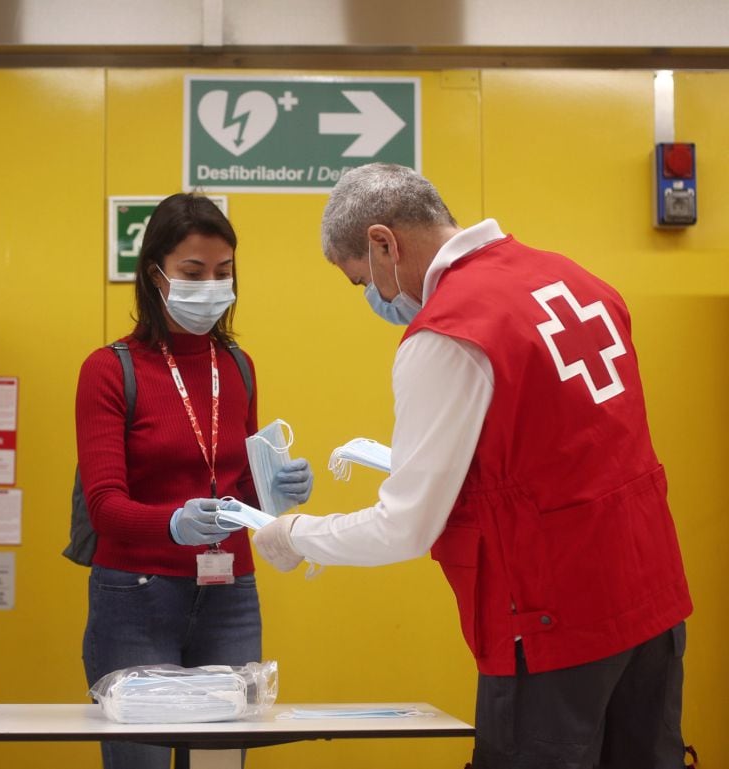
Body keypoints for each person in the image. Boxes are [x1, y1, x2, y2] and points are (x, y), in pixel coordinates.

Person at [253, 164, 692, 768]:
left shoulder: (448, 333)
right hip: (650, 606)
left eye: (362, 282)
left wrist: (296, 537)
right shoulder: (577, 282)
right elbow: (559, 450)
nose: (375, 299)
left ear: (384, 243)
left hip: (549, 622)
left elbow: (405, 528)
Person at [75, 193, 313, 769]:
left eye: (224, 272)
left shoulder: (236, 365)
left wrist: (276, 490)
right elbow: (104, 506)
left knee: (221, 762)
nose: (212, 284)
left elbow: (241, 486)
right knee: (144, 762)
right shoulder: (110, 369)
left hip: (229, 594)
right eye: (193, 272)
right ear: (156, 274)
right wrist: (172, 522)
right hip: (135, 594)